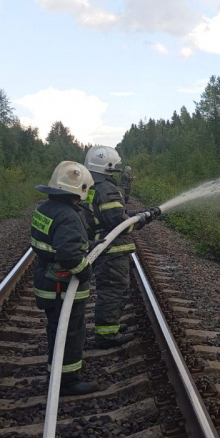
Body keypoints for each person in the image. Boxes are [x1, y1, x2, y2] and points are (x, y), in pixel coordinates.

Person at [31, 161, 99, 396]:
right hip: (60, 286)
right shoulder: (68, 215)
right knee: (69, 332)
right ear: (79, 189)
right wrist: (85, 270)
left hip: (47, 279)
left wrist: (90, 245)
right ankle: (67, 381)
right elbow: (69, 255)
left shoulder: (45, 208)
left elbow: (56, 242)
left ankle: (60, 370)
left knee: (57, 329)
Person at [84, 145, 138, 348]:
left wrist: (136, 215)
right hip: (111, 249)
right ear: (107, 166)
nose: (117, 169)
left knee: (111, 289)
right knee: (114, 290)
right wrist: (139, 221)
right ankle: (107, 335)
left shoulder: (93, 184)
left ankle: (110, 325)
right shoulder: (106, 188)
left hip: (104, 247)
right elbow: (117, 222)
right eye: (115, 166)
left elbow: (109, 215)